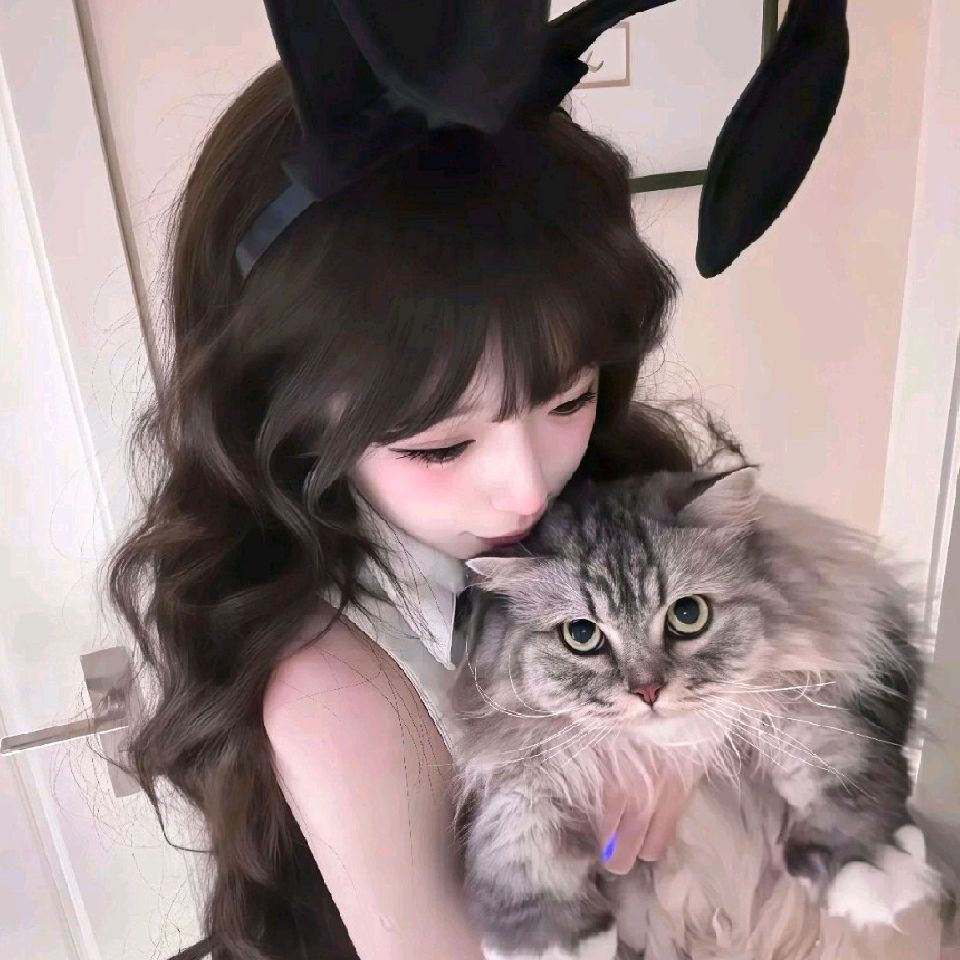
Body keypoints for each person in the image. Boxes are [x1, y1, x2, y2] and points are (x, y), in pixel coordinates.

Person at [106, 3, 847, 958]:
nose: (526, 489)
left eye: (570, 396)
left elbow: (827, 669)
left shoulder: (628, 490)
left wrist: (690, 735)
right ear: (282, 424)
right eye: (437, 446)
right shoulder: (341, 693)